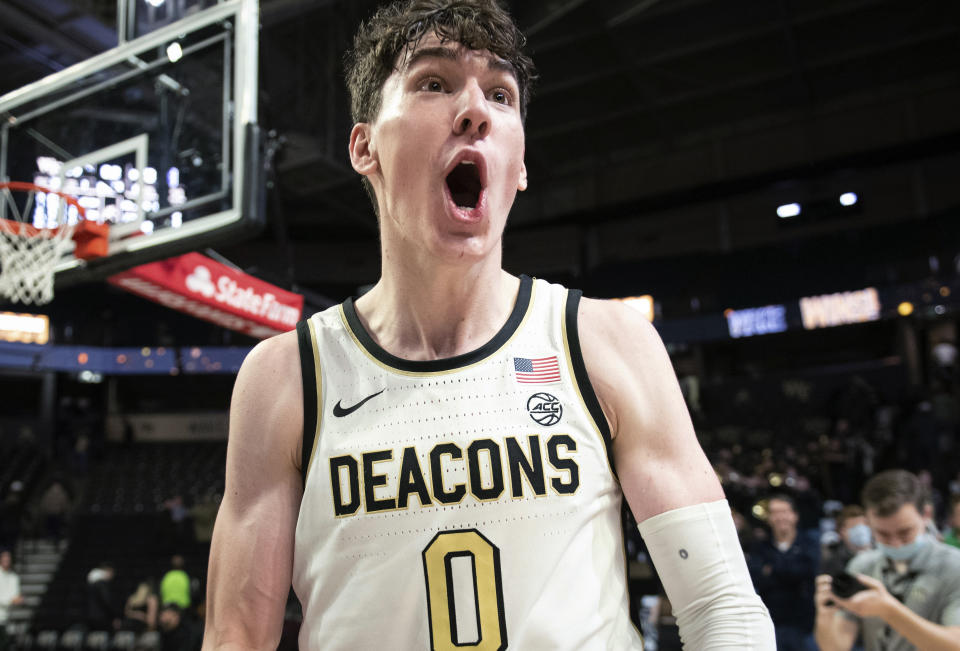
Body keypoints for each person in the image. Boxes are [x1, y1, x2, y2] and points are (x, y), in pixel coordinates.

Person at [203, 1, 775, 649]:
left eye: (500, 94)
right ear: (365, 147)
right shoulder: (287, 375)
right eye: (433, 83)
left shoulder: (605, 342)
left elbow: (721, 603)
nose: (475, 110)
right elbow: (235, 637)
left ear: (521, 162)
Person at [815, 469, 960, 650]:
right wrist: (825, 613)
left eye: (905, 532)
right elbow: (836, 647)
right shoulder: (862, 566)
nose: (896, 544)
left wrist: (890, 611)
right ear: (868, 522)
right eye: (883, 534)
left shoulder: (954, 566)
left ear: (926, 515)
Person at [748, 494, 820, 650]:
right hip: (772, 623)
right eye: (775, 512)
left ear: (795, 515)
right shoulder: (760, 547)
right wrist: (791, 570)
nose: (780, 517)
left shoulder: (810, 542)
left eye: (784, 511)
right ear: (769, 518)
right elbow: (757, 578)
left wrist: (772, 569)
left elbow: (808, 571)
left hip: (805, 623)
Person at [821, 505, 873, 576]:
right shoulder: (835, 564)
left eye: (864, 525)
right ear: (841, 532)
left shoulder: (883, 552)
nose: (861, 530)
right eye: (854, 527)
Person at [85, 562, 121, 632]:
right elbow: (107, 601)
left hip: (92, 617)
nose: (113, 576)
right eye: (112, 573)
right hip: (103, 618)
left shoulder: (92, 583)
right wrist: (114, 617)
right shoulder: (102, 584)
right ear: (107, 571)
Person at [0, 550, 24, 651]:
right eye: (4, 558)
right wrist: (11, 600)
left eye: (8, 559)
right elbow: (13, 599)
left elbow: (17, 598)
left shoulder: (14, 577)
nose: (6, 561)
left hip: (6, 619)